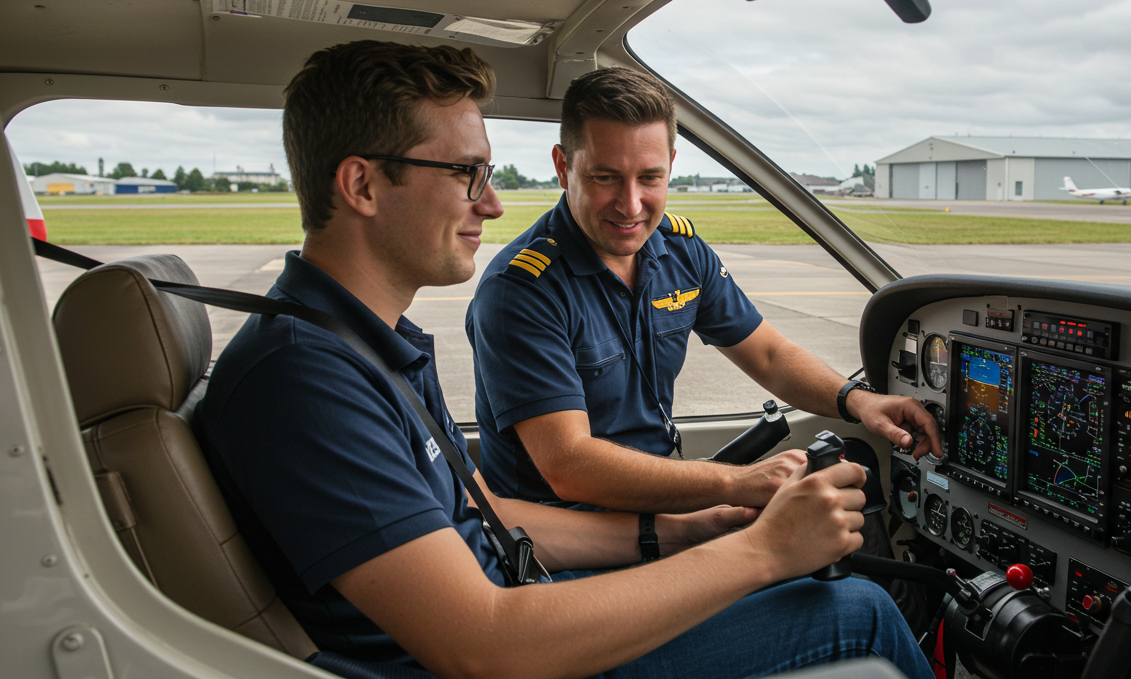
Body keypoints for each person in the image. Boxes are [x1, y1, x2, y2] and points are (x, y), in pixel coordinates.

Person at [192, 39, 933, 679]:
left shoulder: (364, 349)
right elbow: (485, 644)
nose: (491, 206)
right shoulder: (305, 381)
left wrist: (695, 526)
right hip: (514, 642)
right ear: (360, 185)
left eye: (650, 177)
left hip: (525, 595)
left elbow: (485, 515)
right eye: (467, 175)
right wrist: (762, 550)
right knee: (860, 610)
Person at [467, 67, 943, 514]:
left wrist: (858, 400)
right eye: (605, 177)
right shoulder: (522, 290)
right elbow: (569, 467)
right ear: (562, 165)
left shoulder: (680, 251)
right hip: (564, 544)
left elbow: (769, 355)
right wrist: (735, 483)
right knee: (857, 601)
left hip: (655, 510)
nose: (631, 205)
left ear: (671, 165)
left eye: (650, 177)